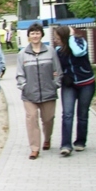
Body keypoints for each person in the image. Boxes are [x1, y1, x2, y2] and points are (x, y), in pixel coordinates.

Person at [16, 23, 62, 160]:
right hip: (29, 94)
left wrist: (55, 84)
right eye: (32, 33)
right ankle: (34, 148)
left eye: (37, 33)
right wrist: (24, 86)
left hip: (48, 92)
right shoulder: (22, 54)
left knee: (48, 119)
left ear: (42, 35)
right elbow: (19, 74)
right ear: (28, 36)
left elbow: (58, 70)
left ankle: (47, 138)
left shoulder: (50, 51)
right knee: (31, 119)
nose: (35, 36)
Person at [54, 26, 96, 156]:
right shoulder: (58, 50)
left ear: (64, 37)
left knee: (82, 114)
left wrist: (71, 37)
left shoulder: (80, 42)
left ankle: (80, 142)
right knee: (67, 114)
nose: (55, 40)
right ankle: (66, 145)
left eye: (57, 37)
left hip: (86, 83)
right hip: (69, 85)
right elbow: (58, 67)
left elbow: (78, 53)